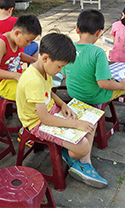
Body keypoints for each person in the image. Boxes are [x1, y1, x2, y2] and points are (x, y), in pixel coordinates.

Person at [16, 32, 106, 188]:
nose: (60, 70)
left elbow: (48, 92)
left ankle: (84, 162)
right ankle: (77, 158)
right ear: (45, 58)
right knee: (83, 145)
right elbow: (44, 119)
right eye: (60, 66)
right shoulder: (33, 80)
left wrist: (63, 105)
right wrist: (76, 125)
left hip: (51, 112)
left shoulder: (44, 69)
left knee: (92, 122)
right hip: (38, 123)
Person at [63, 9, 125, 134]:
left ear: (77, 29)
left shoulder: (69, 47)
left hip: (74, 93)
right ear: (99, 32)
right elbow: (103, 83)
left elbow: (64, 73)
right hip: (94, 96)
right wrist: (122, 85)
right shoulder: (97, 52)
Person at [0, 15, 41, 101]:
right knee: (32, 93)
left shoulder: (17, 41)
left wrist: (34, 60)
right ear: (17, 33)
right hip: (1, 83)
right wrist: (16, 75)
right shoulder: (1, 44)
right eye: (28, 40)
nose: (29, 44)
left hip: (15, 74)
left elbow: (20, 55)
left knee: (39, 81)